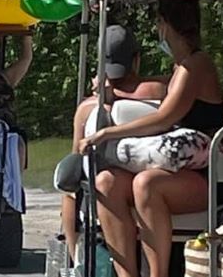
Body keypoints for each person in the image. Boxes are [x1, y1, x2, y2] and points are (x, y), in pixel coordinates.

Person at [78, 0, 223, 277]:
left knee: (146, 183)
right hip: (177, 169)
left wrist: (106, 133)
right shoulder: (179, 68)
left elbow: (166, 117)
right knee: (106, 182)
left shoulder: (196, 64)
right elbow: (160, 88)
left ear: (164, 25)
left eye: (158, 25)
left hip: (203, 176)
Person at [60, 25, 165, 258]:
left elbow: (78, 151)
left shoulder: (89, 108)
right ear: (136, 60)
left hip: (113, 183)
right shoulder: (157, 90)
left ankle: (73, 253)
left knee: (70, 185)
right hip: (159, 177)